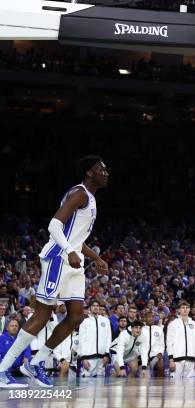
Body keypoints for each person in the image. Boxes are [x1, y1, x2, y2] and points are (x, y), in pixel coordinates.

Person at [0, 155, 109, 389]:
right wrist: (69, 251)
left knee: (76, 316)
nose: (106, 173)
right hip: (58, 259)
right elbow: (54, 225)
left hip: (72, 261)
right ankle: (2, 370)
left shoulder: (90, 198)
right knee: (41, 315)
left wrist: (96, 257)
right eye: (101, 169)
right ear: (89, 173)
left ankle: (35, 363)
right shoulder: (78, 194)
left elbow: (76, 239)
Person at [78, 300, 111, 377]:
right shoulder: (84, 321)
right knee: (86, 384)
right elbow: (81, 340)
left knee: (100, 383)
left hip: (102, 358)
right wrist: (83, 358)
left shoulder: (106, 321)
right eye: (93, 306)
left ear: (99, 308)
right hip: (88, 358)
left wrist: (107, 354)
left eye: (97, 306)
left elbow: (108, 338)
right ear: (90, 308)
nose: (95, 307)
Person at [167, 301, 195, 379]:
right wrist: (171, 360)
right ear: (179, 310)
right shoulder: (173, 324)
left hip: (191, 359)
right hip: (177, 360)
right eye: (183, 308)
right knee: (175, 387)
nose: (185, 309)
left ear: (189, 310)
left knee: (190, 387)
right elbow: (169, 342)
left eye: (187, 308)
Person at [142, 312, 165, 377]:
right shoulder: (141, 329)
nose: (151, 319)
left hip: (155, 356)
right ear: (145, 318)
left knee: (161, 364)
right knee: (145, 378)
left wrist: (160, 352)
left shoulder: (159, 329)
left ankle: (160, 385)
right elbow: (138, 344)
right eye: (149, 317)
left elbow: (162, 344)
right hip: (143, 357)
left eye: (152, 317)